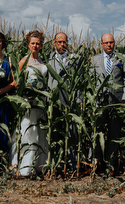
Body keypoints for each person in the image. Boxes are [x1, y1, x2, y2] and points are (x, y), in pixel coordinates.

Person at [9, 30, 49, 176]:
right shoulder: (23, 61)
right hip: (27, 101)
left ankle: (38, 165)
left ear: (41, 45)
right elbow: (16, 82)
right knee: (27, 131)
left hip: (40, 101)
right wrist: (25, 93)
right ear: (28, 44)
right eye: (33, 43)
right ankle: (24, 167)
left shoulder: (42, 61)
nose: (35, 46)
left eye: (38, 43)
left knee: (39, 132)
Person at [90, 32, 125, 174]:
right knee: (97, 133)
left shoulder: (122, 59)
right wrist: (91, 101)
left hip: (116, 103)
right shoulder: (94, 60)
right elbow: (90, 83)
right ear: (101, 44)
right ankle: (97, 163)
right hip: (99, 102)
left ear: (114, 43)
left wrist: (124, 99)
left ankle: (111, 165)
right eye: (106, 43)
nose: (109, 45)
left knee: (114, 135)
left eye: (111, 42)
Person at [46, 32, 81, 171]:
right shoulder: (48, 59)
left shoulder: (75, 59)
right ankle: (55, 163)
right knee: (55, 133)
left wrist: (79, 101)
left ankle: (71, 164)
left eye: (64, 42)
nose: (62, 44)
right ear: (54, 43)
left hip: (70, 101)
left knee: (71, 133)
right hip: (53, 102)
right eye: (59, 42)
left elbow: (80, 81)